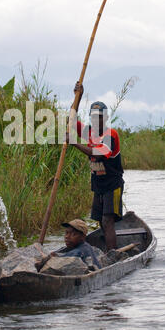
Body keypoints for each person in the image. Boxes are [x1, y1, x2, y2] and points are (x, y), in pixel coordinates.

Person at [66, 82, 124, 252]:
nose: (96, 119)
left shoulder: (110, 134)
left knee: (107, 221)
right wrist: (78, 96)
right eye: (93, 116)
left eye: (99, 116)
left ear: (105, 118)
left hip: (112, 185)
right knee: (100, 221)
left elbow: (98, 153)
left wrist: (75, 143)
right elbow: (71, 120)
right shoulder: (89, 131)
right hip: (98, 184)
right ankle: (106, 250)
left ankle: (112, 255)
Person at [35, 219, 101, 271]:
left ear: (83, 237)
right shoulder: (81, 246)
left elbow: (66, 258)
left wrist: (50, 257)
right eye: (66, 233)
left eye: (73, 234)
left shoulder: (81, 250)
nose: (67, 236)